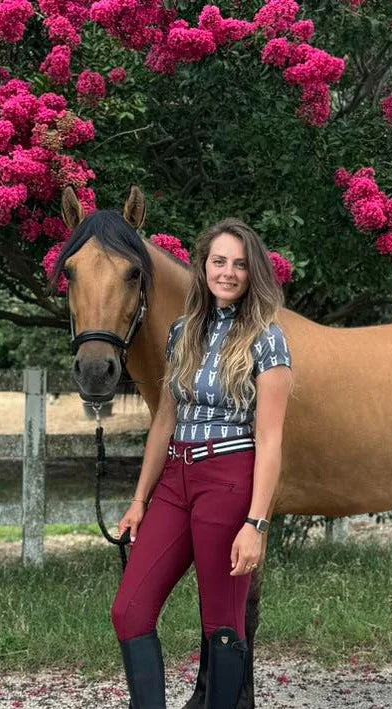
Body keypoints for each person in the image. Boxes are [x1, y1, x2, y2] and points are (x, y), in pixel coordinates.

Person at [111, 218, 293, 709]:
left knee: (222, 624)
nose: (228, 272)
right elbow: (164, 423)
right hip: (175, 478)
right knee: (130, 610)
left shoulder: (267, 340)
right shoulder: (182, 333)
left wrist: (256, 521)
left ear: (252, 273)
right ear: (203, 267)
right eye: (219, 262)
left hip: (230, 481)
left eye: (239, 264)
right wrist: (138, 500)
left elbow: (271, 440)